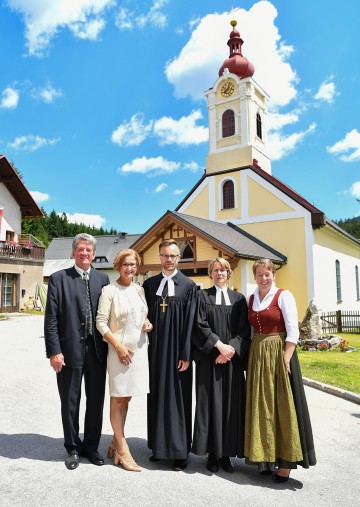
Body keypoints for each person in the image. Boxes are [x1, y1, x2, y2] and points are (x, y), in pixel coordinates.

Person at [244, 258, 316, 482]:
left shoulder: (283, 295)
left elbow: (293, 331)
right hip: (257, 353)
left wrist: (285, 359)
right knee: (260, 406)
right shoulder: (252, 297)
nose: (264, 278)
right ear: (254, 276)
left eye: (268, 274)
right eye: (260, 274)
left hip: (278, 353)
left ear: (274, 275)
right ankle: (264, 458)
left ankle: (285, 464)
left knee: (281, 406)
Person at [44, 233, 110, 470]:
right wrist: (54, 351)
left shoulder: (103, 280)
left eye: (88, 250)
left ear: (94, 254)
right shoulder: (58, 279)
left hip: (97, 351)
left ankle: (91, 447)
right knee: (70, 401)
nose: (84, 254)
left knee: (95, 402)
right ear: (73, 253)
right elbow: (51, 319)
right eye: (80, 250)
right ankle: (72, 447)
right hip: (68, 351)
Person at [192, 258, 251, 473]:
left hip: (231, 362)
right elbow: (199, 326)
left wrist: (229, 351)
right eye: (215, 270)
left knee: (230, 406)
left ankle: (226, 455)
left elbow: (244, 330)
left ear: (229, 273)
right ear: (210, 273)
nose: (220, 273)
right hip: (210, 360)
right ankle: (212, 454)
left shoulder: (239, 299)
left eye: (223, 270)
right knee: (210, 406)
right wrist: (218, 347)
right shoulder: (202, 296)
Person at [143, 239, 197, 471]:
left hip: (177, 354)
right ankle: (159, 447)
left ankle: (180, 451)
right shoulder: (149, 284)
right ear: (159, 256)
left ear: (178, 258)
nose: (169, 259)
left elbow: (192, 323)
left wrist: (186, 354)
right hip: (155, 351)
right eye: (165, 255)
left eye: (173, 256)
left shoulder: (188, 286)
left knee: (178, 399)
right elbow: (140, 312)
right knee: (156, 396)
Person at [96, 249, 152, 472]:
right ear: (118, 266)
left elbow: (141, 314)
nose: (130, 268)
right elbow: (101, 322)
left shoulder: (139, 289)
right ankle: (122, 447)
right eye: (126, 264)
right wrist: (118, 347)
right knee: (118, 398)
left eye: (133, 265)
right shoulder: (109, 291)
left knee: (127, 398)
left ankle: (114, 442)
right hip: (119, 351)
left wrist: (147, 322)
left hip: (139, 350)